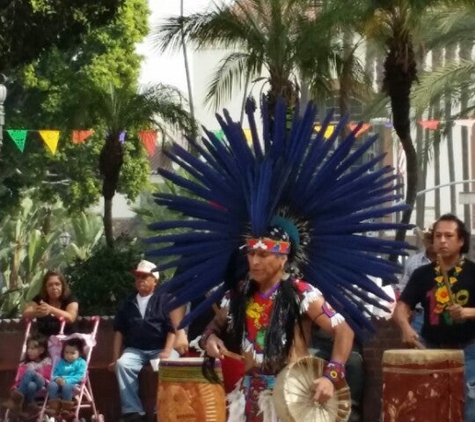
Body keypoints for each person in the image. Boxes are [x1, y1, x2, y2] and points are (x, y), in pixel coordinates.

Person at [200, 226, 355, 421]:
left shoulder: (302, 293)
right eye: (251, 253)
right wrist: (210, 338)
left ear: (283, 258)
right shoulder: (240, 294)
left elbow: (344, 331)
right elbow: (213, 327)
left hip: (291, 396)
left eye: (264, 254)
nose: (255, 261)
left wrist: (331, 377)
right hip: (248, 397)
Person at [393, 213, 475, 421]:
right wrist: (405, 327)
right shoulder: (422, 274)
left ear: (461, 241)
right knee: (431, 410)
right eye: (438, 236)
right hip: (430, 351)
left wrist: (468, 312)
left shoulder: (473, 272)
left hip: (469, 353)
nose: (442, 241)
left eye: (448, 236)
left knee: (467, 411)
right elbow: (401, 308)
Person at [109, 260, 182, 422]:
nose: (140, 280)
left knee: (170, 364)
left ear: (154, 280)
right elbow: (119, 331)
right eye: (137, 277)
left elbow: (172, 329)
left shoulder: (164, 300)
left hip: (160, 347)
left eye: (144, 277)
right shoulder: (128, 302)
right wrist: (115, 359)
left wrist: (167, 351)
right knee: (123, 365)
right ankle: (133, 411)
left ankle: (161, 409)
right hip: (135, 349)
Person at [1, 333, 52, 416]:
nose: (29, 351)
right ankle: (28, 405)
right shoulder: (25, 364)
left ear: (41, 350)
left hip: (42, 383)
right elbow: (20, 379)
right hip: (30, 387)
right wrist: (14, 387)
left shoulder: (47, 361)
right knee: (31, 385)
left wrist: (34, 373)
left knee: (30, 372)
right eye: (28, 348)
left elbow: (46, 375)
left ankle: (15, 400)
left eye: (32, 348)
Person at [398, 228, 436, 335]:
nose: (432, 241)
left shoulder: (452, 262)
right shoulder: (414, 261)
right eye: (429, 238)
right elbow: (403, 288)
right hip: (420, 315)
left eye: (435, 237)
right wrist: (408, 312)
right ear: (424, 240)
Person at [23, 270, 78, 336]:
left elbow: (71, 317)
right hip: (43, 340)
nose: (54, 288)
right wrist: (39, 311)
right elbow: (26, 314)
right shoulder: (40, 298)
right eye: (50, 285)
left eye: (57, 284)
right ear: (45, 288)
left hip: (67, 339)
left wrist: (51, 310)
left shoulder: (70, 298)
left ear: (62, 286)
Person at [46, 337, 87, 417]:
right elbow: (54, 373)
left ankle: (66, 408)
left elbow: (79, 376)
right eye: (66, 352)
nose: (69, 355)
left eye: (72, 353)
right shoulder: (61, 362)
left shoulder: (81, 363)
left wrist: (66, 380)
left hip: (73, 384)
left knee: (67, 387)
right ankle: (54, 407)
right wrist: (57, 378)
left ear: (80, 353)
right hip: (59, 382)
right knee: (52, 385)